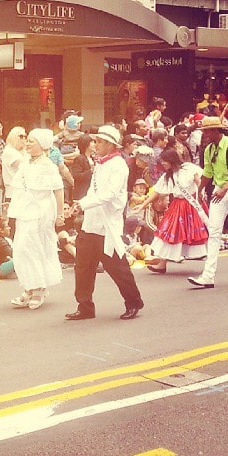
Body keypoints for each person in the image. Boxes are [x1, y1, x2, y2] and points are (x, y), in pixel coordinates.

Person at [65, 125, 144, 320]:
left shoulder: (118, 166)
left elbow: (108, 195)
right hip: (91, 223)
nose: (95, 145)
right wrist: (79, 206)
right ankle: (85, 306)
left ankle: (133, 302)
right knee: (83, 266)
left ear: (110, 144)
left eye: (99, 142)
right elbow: (94, 192)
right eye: (95, 141)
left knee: (117, 267)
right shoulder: (100, 163)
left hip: (107, 225)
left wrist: (82, 204)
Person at [188, 116, 228, 288]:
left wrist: (224, 188)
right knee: (214, 232)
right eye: (204, 131)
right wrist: (200, 189)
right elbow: (208, 172)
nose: (206, 134)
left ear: (217, 130)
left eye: (208, 131)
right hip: (219, 191)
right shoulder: (209, 149)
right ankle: (208, 276)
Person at [8, 129, 64, 310]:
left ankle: (39, 288)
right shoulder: (26, 163)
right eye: (28, 140)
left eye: (32, 141)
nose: (28, 143)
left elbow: (58, 189)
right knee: (21, 249)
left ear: (42, 144)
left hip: (40, 213)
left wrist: (60, 214)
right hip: (24, 212)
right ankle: (29, 287)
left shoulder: (48, 166)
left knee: (35, 249)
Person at [134, 148, 207, 274]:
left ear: (172, 160)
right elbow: (157, 191)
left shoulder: (188, 168)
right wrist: (143, 205)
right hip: (178, 206)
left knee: (189, 233)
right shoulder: (168, 175)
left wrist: (200, 193)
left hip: (191, 204)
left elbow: (199, 182)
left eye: (165, 161)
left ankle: (209, 264)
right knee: (168, 233)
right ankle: (162, 263)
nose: (163, 164)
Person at [69, 133, 95, 200]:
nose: (94, 144)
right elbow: (76, 175)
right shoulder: (79, 159)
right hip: (82, 193)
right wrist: (90, 171)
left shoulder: (93, 158)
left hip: (91, 191)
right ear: (86, 144)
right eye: (92, 142)